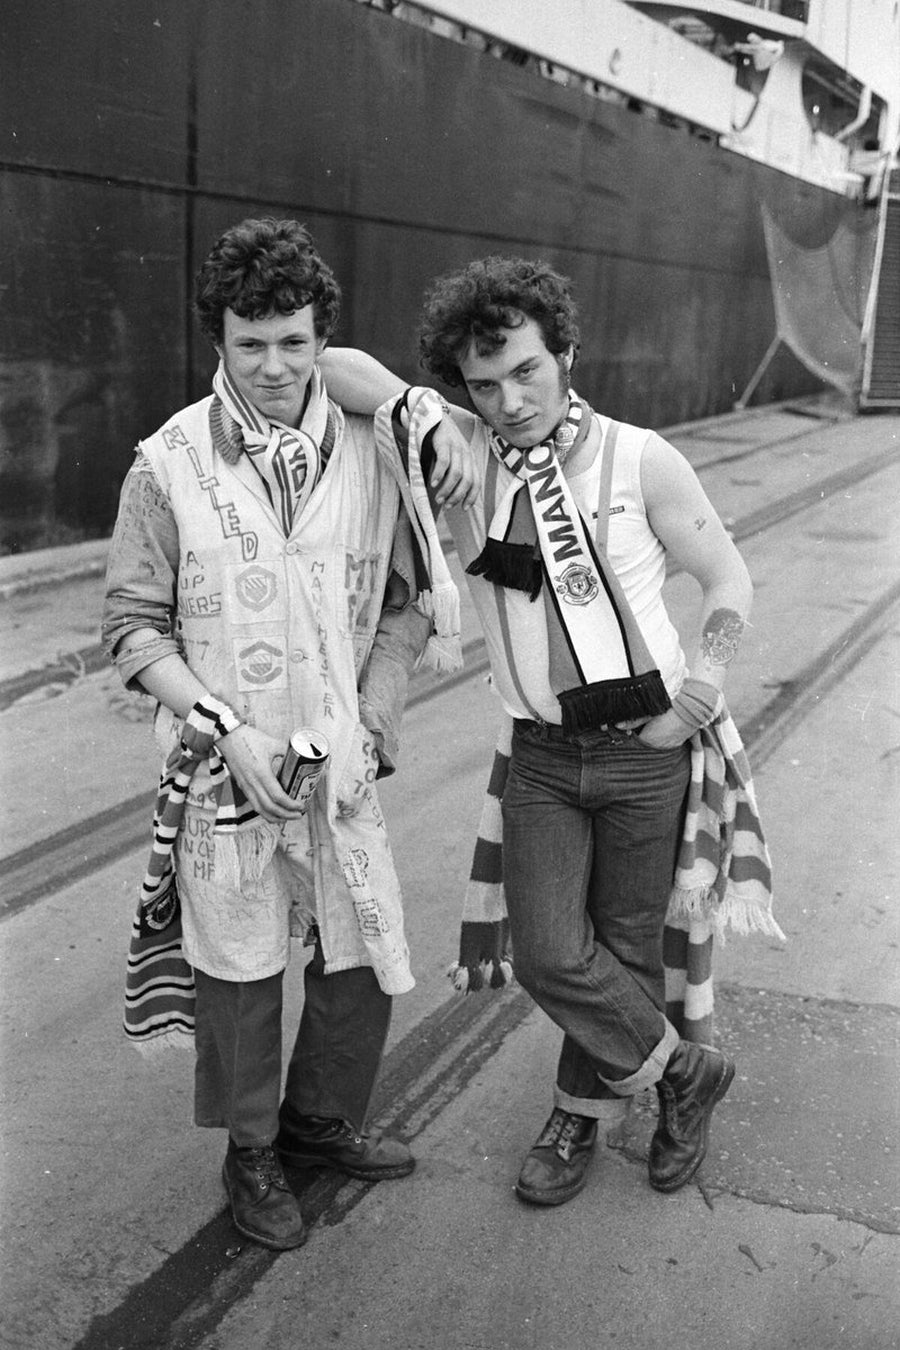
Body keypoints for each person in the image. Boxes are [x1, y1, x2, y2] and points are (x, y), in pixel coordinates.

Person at [101, 217, 477, 1251]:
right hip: (226, 761)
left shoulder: (379, 444)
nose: (272, 366)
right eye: (249, 343)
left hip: (340, 757)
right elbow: (132, 628)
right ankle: (252, 1150)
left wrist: (378, 719)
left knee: (355, 952)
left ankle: (316, 1124)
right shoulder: (165, 463)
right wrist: (223, 730)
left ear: (323, 341)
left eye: (293, 342)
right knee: (240, 964)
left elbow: (408, 601)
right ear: (217, 340)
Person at [405, 255, 756, 1206]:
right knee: (555, 952)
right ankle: (687, 1075)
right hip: (546, 757)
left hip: (648, 752)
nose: (509, 398)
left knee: (626, 948)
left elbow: (728, 581)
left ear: (565, 353)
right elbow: (348, 368)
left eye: (525, 370)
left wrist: (701, 690)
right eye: (483, 383)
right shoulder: (464, 457)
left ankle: (578, 1115)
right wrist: (419, 409)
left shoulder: (641, 457)